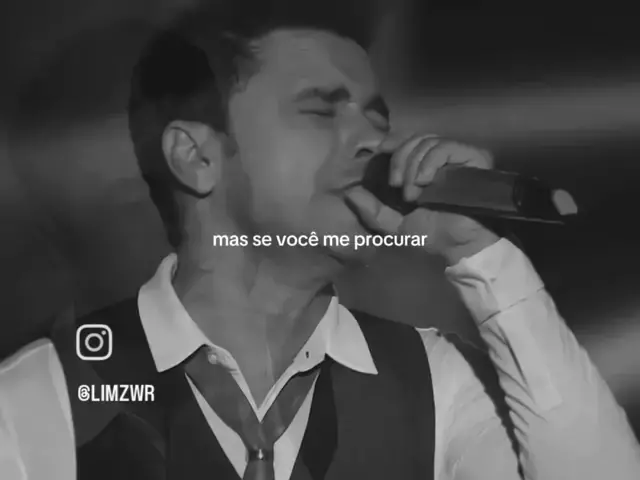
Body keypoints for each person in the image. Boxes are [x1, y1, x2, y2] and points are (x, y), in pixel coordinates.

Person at [2, 1, 640, 479]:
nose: (373, 140)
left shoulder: (433, 378)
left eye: (376, 117)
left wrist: (480, 254)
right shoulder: (44, 396)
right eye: (321, 109)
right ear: (197, 157)